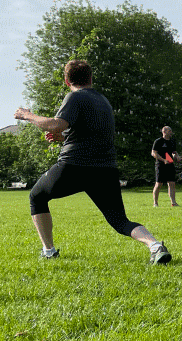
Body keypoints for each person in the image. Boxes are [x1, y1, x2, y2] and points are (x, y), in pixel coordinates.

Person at [14, 59, 171, 264]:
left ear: (66, 80)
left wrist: (27, 115)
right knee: (120, 221)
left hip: (74, 166)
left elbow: (56, 124)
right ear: (90, 78)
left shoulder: (75, 97)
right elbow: (89, 134)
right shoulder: (103, 101)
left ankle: (49, 251)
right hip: (105, 169)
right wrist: (63, 137)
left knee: (37, 196)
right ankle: (155, 245)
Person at [151, 125, 181, 207]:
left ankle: (173, 202)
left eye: (171, 131)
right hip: (160, 165)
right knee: (159, 184)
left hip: (170, 165)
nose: (171, 132)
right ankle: (155, 203)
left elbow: (174, 152)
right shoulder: (158, 141)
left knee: (171, 183)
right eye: (169, 131)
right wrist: (163, 160)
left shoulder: (172, 141)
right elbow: (153, 153)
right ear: (164, 132)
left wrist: (177, 157)